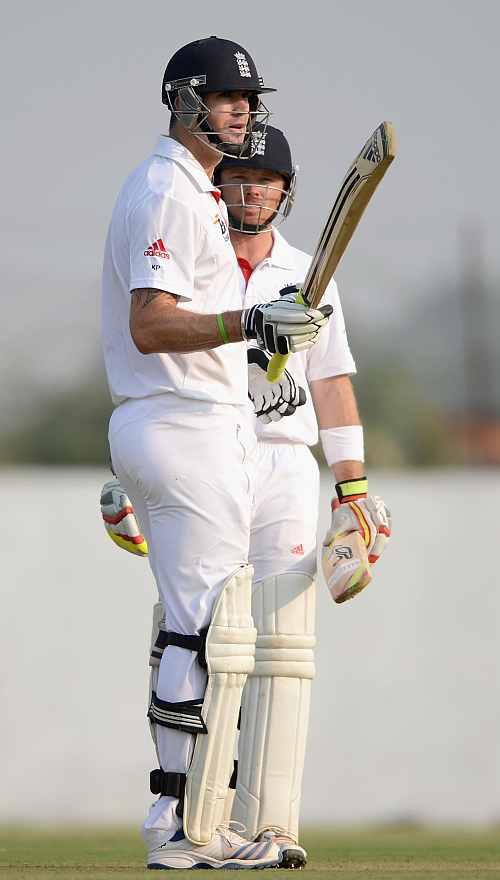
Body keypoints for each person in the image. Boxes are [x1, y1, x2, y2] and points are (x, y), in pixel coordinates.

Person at [102, 123, 391, 869]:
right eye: (239, 174)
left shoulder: (302, 271)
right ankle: (197, 814)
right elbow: (154, 356)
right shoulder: (193, 260)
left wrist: (352, 488)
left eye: (266, 177)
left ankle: (272, 823)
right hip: (206, 449)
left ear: (286, 191)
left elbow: (330, 380)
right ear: (217, 182)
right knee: (209, 632)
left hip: (286, 462)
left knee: (282, 646)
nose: (251, 187)